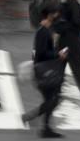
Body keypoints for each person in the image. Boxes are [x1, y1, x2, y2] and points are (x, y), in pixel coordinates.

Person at [22, 9, 68, 138]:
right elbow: (41, 53)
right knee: (53, 100)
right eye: (55, 13)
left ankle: (42, 126)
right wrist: (58, 54)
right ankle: (38, 123)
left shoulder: (46, 30)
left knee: (52, 100)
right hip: (45, 72)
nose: (57, 14)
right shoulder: (43, 32)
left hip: (44, 70)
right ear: (49, 15)